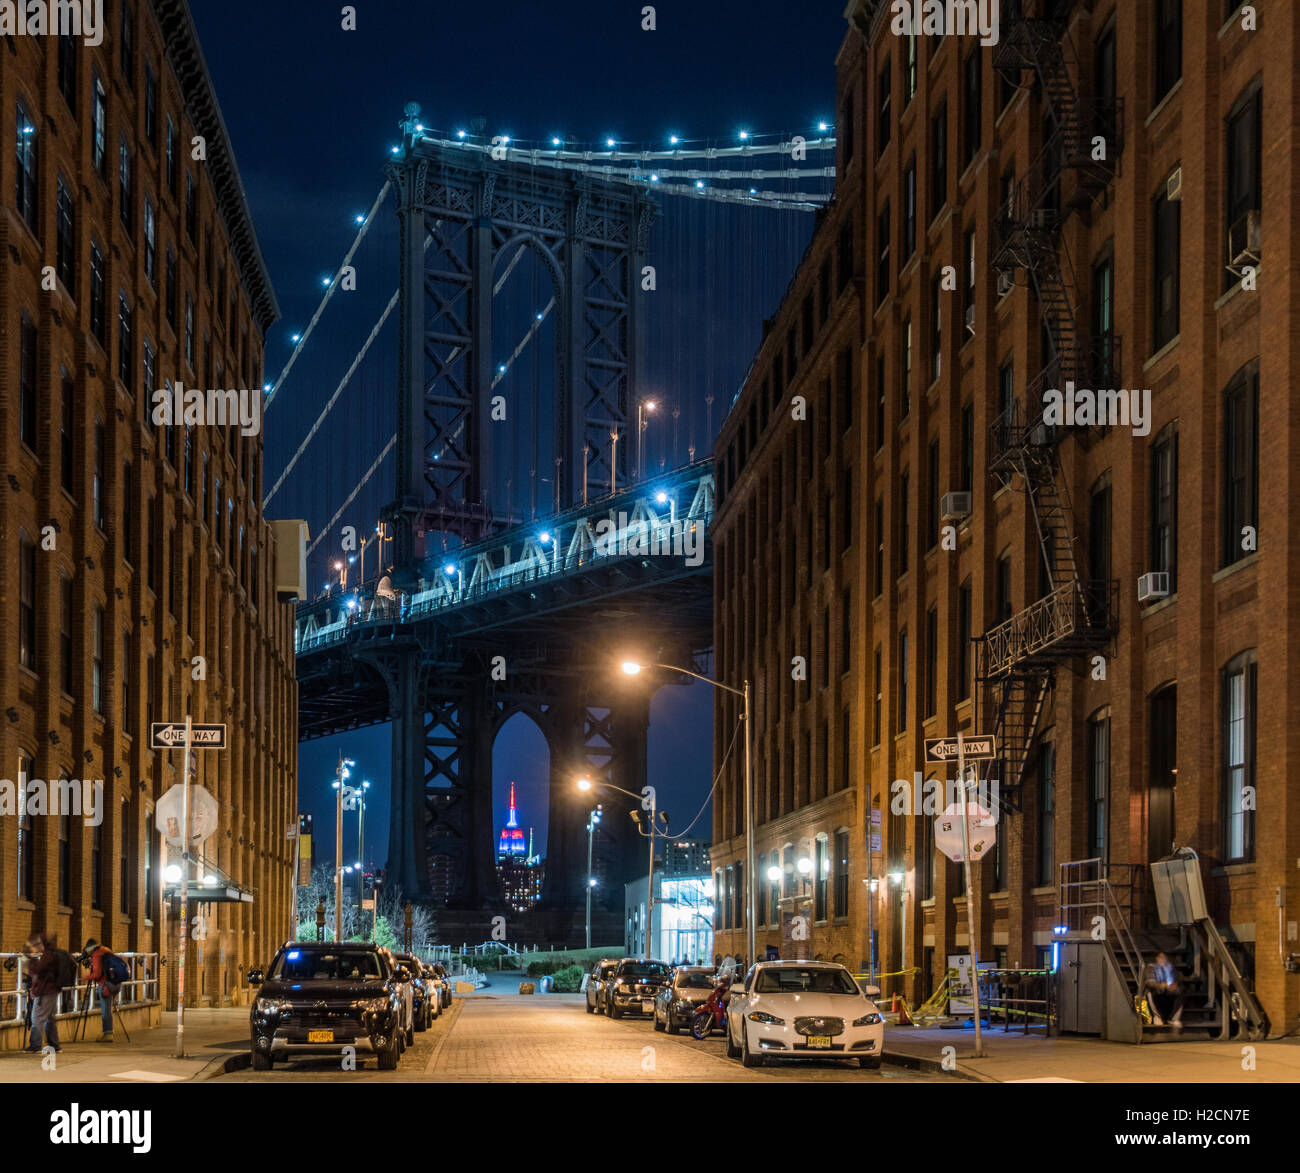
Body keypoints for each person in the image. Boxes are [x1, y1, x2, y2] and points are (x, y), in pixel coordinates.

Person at [83, 939, 122, 1042]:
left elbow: (97, 974)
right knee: (108, 1008)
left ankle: (108, 1033)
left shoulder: (96, 955)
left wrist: (86, 977)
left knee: (105, 1010)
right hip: (116, 983)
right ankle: (109, 1031)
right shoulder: (106, 950)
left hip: (105, 985)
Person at [1145, 952, 1183, 1027]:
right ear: (1157, 959)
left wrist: (1174, 987)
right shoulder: (1151, 967)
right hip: (1157, 992)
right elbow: (1149, 982)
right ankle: (1157, 1017)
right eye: (1160, 957)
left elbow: (1176, 981)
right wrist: (1161, 985)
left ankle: (1173, 1019)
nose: (1162, 959)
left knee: (1180, 993)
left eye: (1164, 957)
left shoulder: (1171, 968)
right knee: (1150, 993)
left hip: (1168, 994)